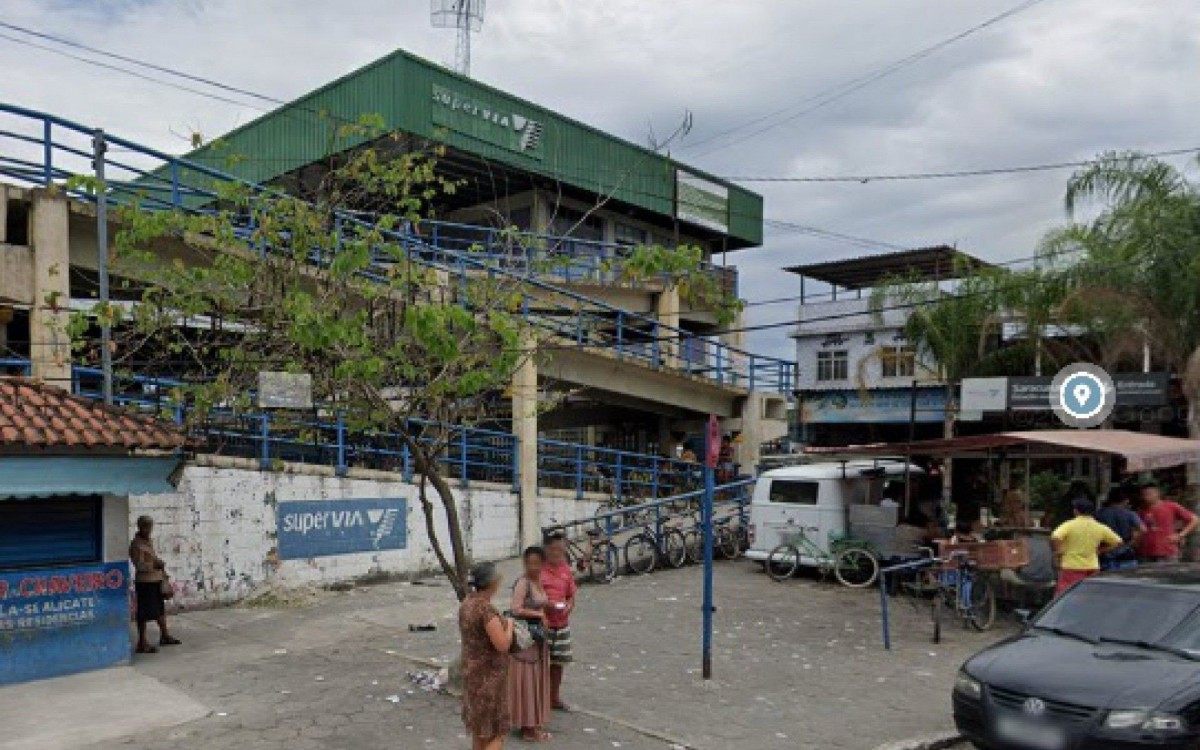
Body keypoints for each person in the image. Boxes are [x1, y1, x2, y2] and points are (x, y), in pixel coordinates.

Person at [459, 562, 515, 750]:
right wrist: (510, 626)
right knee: (498, 733)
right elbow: (502, 645)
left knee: (479, 732)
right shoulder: (486, 611)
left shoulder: (466, 604)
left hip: (471, 675)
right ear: (492, 583)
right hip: (490, 678)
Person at [508, 547, 552, 742]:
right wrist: (538, 614)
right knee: (527, 681)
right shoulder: (523, 583)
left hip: (538, 639)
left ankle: (534, 723)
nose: (532, 566)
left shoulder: (538, 581)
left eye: (536, 563)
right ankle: (527, 727)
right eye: (529, 562)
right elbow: (515, 609)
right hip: (527, 639)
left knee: (536, 680)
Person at [1050, 497, 1123, 595]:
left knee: (1066, 594)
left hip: (1071, 565)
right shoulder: (1099, 527)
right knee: (1088, 595)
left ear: (1076, 511)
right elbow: (1118, 542)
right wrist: (1101, 550)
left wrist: (1059, 551)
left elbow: (1056, 536)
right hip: (1092, 566)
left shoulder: (1070, 525)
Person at [129, 515, 180, 654]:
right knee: (144, 613)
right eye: (147, 527)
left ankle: (164, 635)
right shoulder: (136, 545)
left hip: (155, 580)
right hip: (145, 582)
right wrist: (154, 564)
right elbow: (139, 565)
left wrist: (158, 562)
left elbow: (151, 558)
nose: (149, 530)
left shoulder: (148, 542)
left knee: (159, 610)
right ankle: (142, 642)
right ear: (141, 527)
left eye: (150, 527)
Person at [540, 532, 577, 712]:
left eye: (561, 550)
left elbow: (571, 595)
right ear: (546, 549)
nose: (558, 553)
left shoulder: (565, 569)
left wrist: (569, 606)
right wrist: (544, 609)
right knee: (540, 664)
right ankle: (538, 699)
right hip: (543, 624)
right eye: (555, 549)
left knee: (558, 663)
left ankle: (554, 697)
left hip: (561, 623)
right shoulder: (538, 570)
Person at [1136, 480, 1198, 563]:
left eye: (1149, 494)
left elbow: (1194, 519)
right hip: (1146, 553)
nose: (1146, 497)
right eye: (1144, 494)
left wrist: (1180, 535)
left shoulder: (1171, 506)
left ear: (1157, 493)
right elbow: (1138, 530)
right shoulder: (1141, 511)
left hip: (1167, 552)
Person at [1095, 486, 1146, 568]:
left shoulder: (1099, 514)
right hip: (1126, 555)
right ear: (1126, 500)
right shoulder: (1130, 514)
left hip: (1105, 556)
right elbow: (1143, 529)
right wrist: (1132, 543)